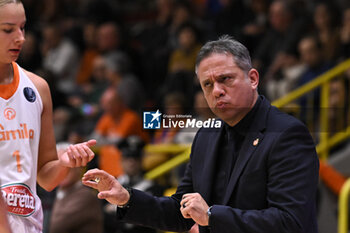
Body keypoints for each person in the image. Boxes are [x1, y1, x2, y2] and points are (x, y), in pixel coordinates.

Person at [82, 35, 319, 233]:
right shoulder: (207, 135)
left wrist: (212, 216)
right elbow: (181, 211)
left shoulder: (287, 134)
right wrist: (127, 198)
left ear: (253, 78)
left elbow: (291, 222)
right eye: (207, 84)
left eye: (225, 79)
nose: (217, 91)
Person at [0, 1, 96, 233]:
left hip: (29, 223)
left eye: (22, 27)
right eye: (8, 29)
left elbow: (46, 178)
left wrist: (64, 162)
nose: (21, 37)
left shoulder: (38, 87)